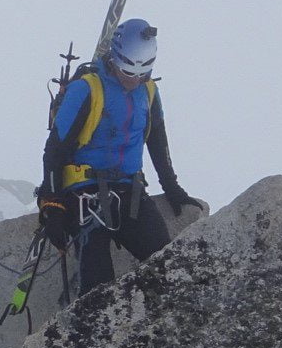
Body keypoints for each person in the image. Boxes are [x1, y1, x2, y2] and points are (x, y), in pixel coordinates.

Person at [37, 17, 204, 295]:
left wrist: (172, 187)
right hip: (85, 196)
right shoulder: (86, 89)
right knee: (97, 288)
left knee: (166, 265)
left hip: (130, 191)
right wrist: (52, 202)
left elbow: (157, 141)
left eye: (143, 73)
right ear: (114, 59)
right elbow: (55, 148)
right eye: (128, 71)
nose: (134, 80)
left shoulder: (148, 91)